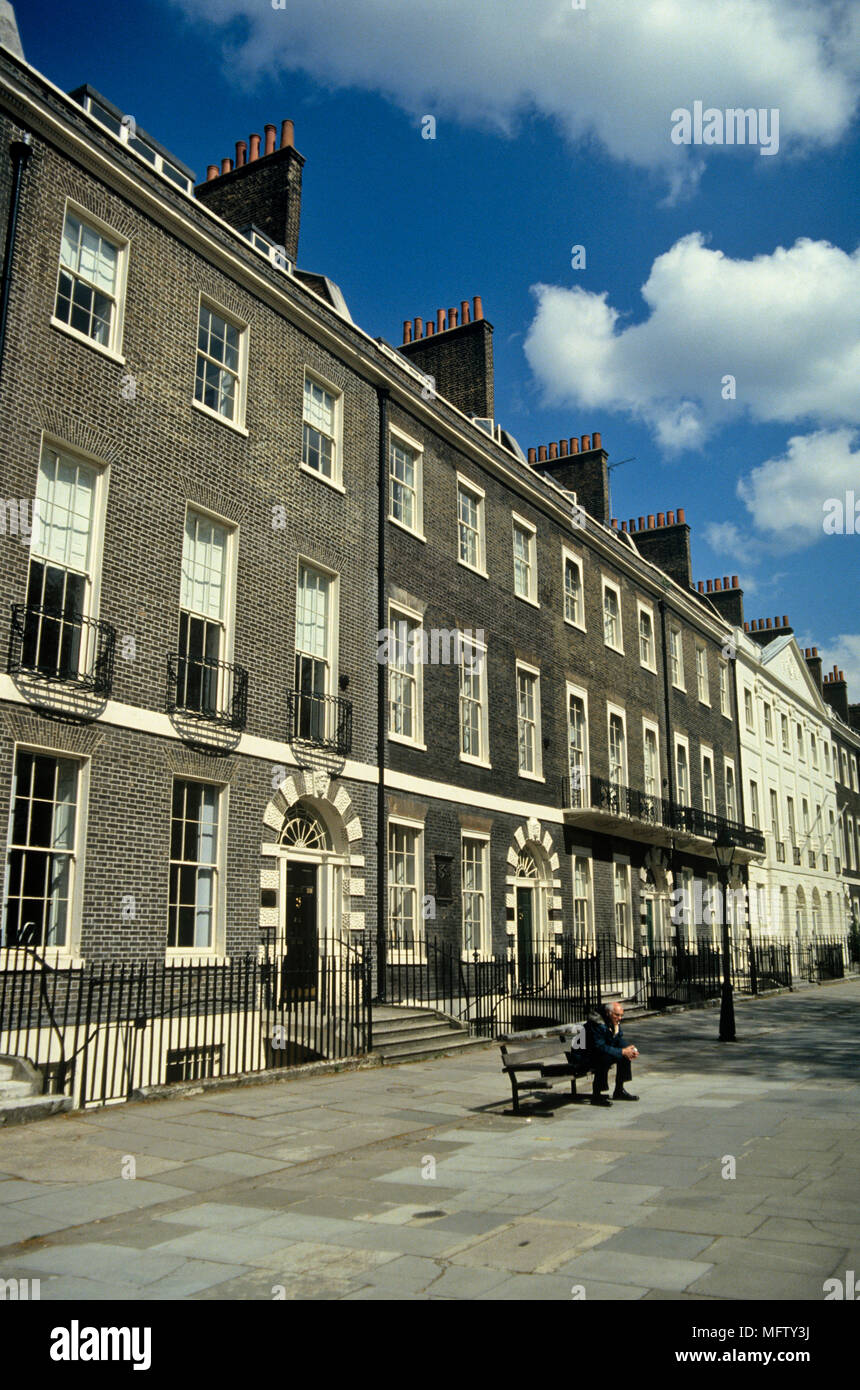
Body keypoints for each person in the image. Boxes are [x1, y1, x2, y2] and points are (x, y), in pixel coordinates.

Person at [585, 1000, 639, 1106]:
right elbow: (599, 1047)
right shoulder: (597, 1024)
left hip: (600, 1051)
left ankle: (619, 1090)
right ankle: (596, 1095)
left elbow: (618, 1039)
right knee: (604, 1058)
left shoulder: (613, 1022)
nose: (619, 1018)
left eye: (621, 1015)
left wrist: (628, 1049)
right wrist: (622, 1051)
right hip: (586, 1055)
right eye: (617, 1015)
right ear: (609, 1013)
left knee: (625, 1055)